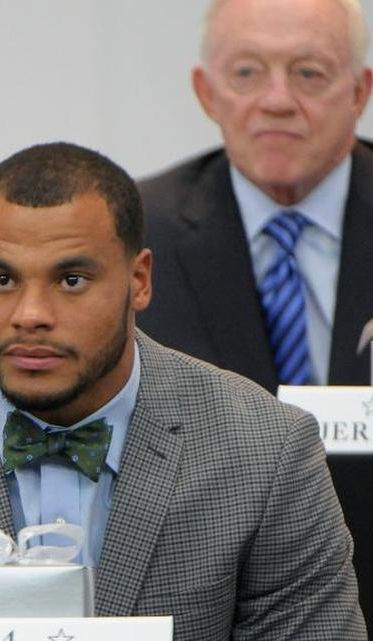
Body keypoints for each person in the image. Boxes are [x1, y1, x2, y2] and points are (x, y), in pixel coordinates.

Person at [0, 142, 363, 641]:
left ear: (139, 281)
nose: (31, 315)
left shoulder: (266, 450)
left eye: (71, 280)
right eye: (1, 279)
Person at [138, 0, 373, 392]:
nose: (277, 101)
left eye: (309, 73)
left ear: (358, 92)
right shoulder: (140, 231)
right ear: (207, 93)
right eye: (247, 73)